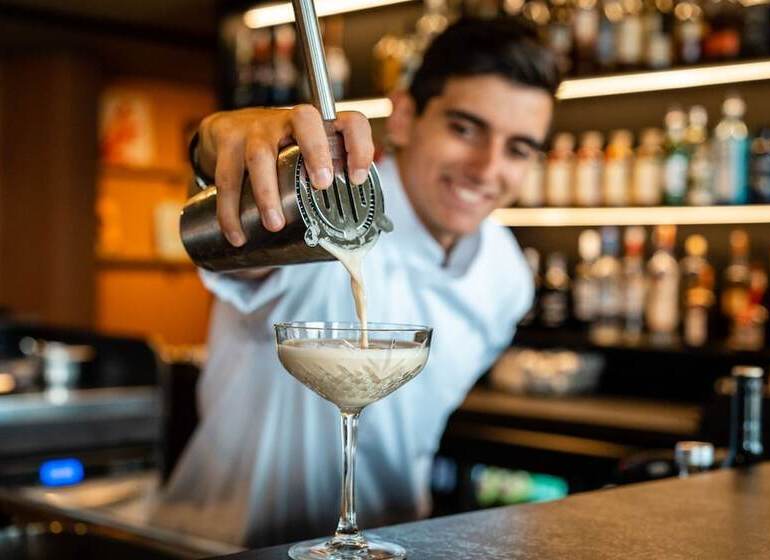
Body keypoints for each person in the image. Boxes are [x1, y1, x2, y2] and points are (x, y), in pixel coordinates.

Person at [153, 16, 557, 547]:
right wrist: (212, 149)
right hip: (229, 542)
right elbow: (240, 237)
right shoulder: (326, 203)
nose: (487, 168)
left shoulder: (506, 275)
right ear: (407, 116)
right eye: (464, 129)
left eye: (519, 149)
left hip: (394, 543)